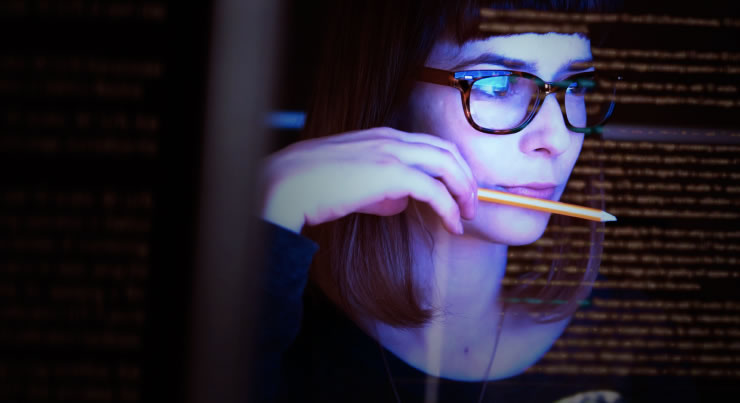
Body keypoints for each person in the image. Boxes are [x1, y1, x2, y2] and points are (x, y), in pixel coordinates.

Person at [256, 0, 621, 401]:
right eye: (497, 84)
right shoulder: (270, 326)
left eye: (577, 86)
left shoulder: (629, 341)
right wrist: (269, 217)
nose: (556, 139)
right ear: (393, 94)